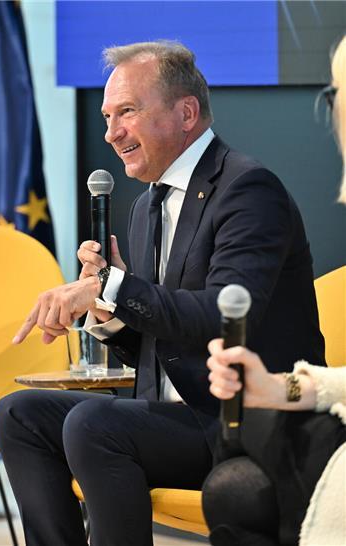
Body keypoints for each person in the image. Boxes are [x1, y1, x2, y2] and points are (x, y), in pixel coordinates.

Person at [0, 40, 325, 546]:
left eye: (126, 111)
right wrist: (109, 311)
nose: (111, 133)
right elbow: (161, 339)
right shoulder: (146, 205)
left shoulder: (248, 189)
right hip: (173, 416)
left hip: (240, 419)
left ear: (185, 112)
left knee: (92, 423)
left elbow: (225, 316)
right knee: (20, 414)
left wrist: (110, 286)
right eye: (106, 116)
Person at [202, 36, 346, 546]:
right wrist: (278, 388)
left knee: (244, 477)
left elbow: (208, 307)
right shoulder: (140, 210)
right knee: (234, 488)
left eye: (334, 96)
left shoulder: (247, 187)